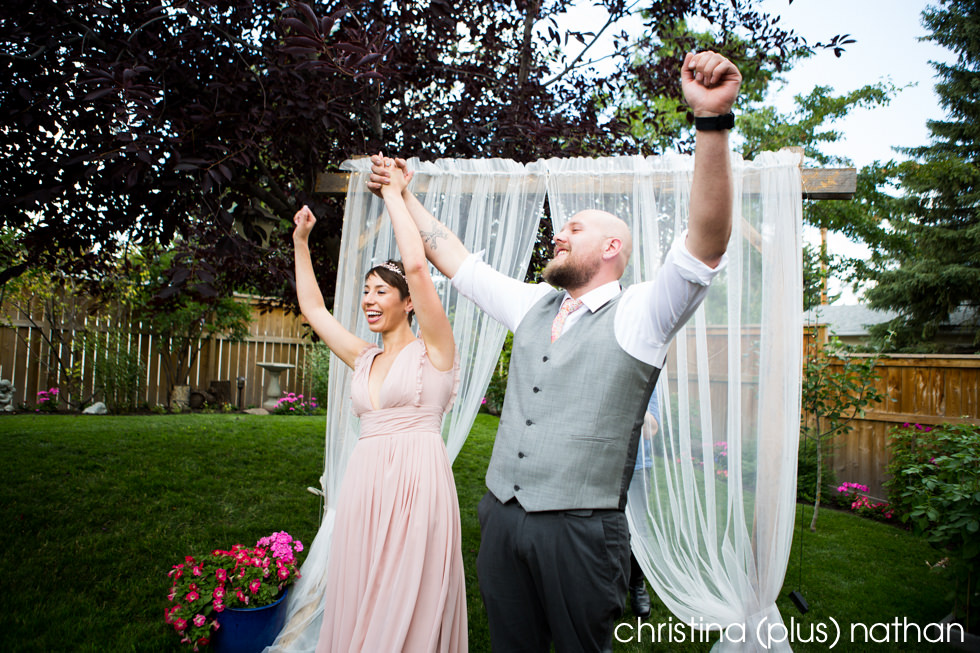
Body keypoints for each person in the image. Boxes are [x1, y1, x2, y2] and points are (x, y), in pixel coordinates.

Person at [371, 50, 740, 652]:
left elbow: (707, 241)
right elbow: (454, 258)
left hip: (580, 531)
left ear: (612, 247)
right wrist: (404, 195)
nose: (558, 233)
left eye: (573, 228)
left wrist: (712, 122)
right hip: (502, 517)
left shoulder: (643, 313)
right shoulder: (531, 304)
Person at [292, 157, 467, 653]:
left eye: (381, 292)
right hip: (365, 486)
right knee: (364, 591)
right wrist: (301, 244)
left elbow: (417, 265)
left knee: (407, 599)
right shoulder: (362, 358)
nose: (369, 300)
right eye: (366, 291)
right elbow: (314, 310)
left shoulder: (435, 348)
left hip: (418, 484)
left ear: (407, 301)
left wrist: (393, 195)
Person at [627, 384, 661, 619]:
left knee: (638, 529)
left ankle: (637, 585)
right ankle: (607, 585)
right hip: (602, 461)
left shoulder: (648, 372)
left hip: (637, 465)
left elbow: (652, 430)